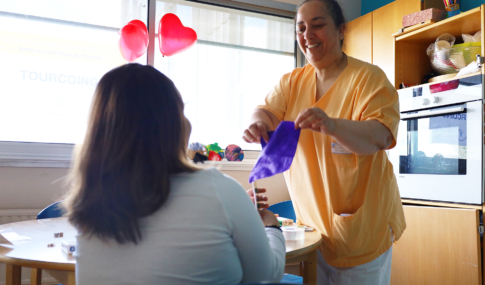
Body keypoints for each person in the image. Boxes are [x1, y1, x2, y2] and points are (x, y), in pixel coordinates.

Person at [63, 63, 285, 285]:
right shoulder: (220, 191)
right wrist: (270, 225)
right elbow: (265, 277)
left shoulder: (89, 205)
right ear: (170, 125)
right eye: (181, 111)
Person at [243, 0, 406, 284]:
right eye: (301, 28)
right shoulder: (291, 82)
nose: (307, 35)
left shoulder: (368, 79)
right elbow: (266, 111)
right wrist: (257, 122)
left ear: (341, 30)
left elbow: (379, 136)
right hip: (312, 229)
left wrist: (332, 125)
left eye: (317, 25)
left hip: (362, 230)